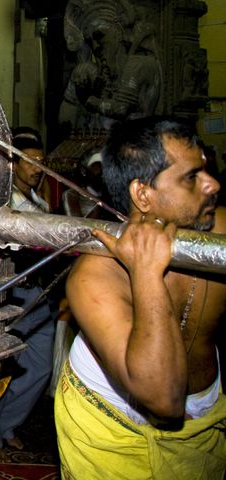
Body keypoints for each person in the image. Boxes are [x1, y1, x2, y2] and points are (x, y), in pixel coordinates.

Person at [55, 116, 226, 478]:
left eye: (206, 171)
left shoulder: (220, 227)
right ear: (143, 195)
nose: (212, 184)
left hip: (206, 413)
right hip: (111, 424)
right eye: (191, 177)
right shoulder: (95, 275)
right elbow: (163, 399)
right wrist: (146, 273)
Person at [0, 131, 56, 456]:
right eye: (31, 161)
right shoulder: (4, 201)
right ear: (12, 163)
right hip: (15, 296)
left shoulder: (39, 199)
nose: (38, 168)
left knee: (39, 368)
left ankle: (7, 423)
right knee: (2, 369)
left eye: (42, 161)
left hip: (43, 295)